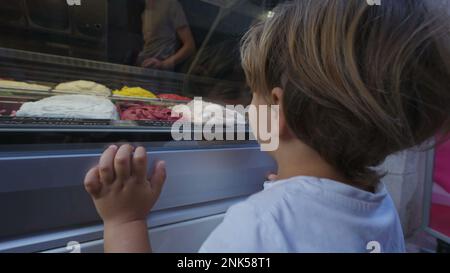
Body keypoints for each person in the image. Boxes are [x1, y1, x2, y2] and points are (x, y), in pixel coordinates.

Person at [84, 0, 450, 252]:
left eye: (253, 95)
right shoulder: (380, 206)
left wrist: (125, 221)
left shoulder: (257, 229)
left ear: (276, 109)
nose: (247, 106)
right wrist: (295, 189)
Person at [137, 0, 195, 70]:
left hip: (161, 73)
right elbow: (149, 44)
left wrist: (164, 64)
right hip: (145, 69)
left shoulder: (171, 4)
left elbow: (189, 46)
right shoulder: (145, 12)